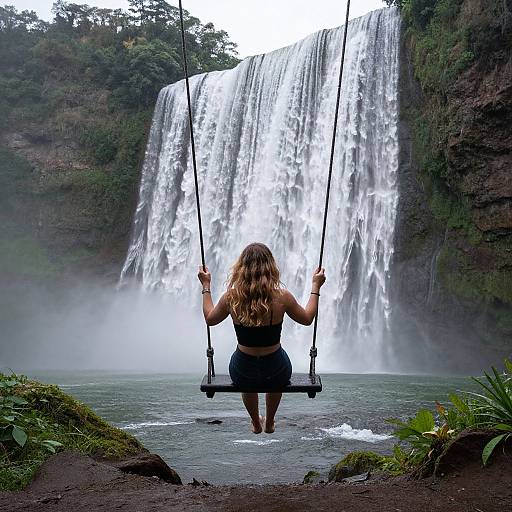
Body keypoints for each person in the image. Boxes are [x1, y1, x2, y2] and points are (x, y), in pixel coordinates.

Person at [197, 242, 326, 434]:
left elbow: (210, 318)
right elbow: (307, 318)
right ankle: (270, 421)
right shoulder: (282, 297)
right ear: (271, 268)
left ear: (241, 269)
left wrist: (206, 286)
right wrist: (316, 286)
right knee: (275, 377)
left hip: (242, 369)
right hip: (276, 368)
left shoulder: (231, 298)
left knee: (247, 379)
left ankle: (255, 422)